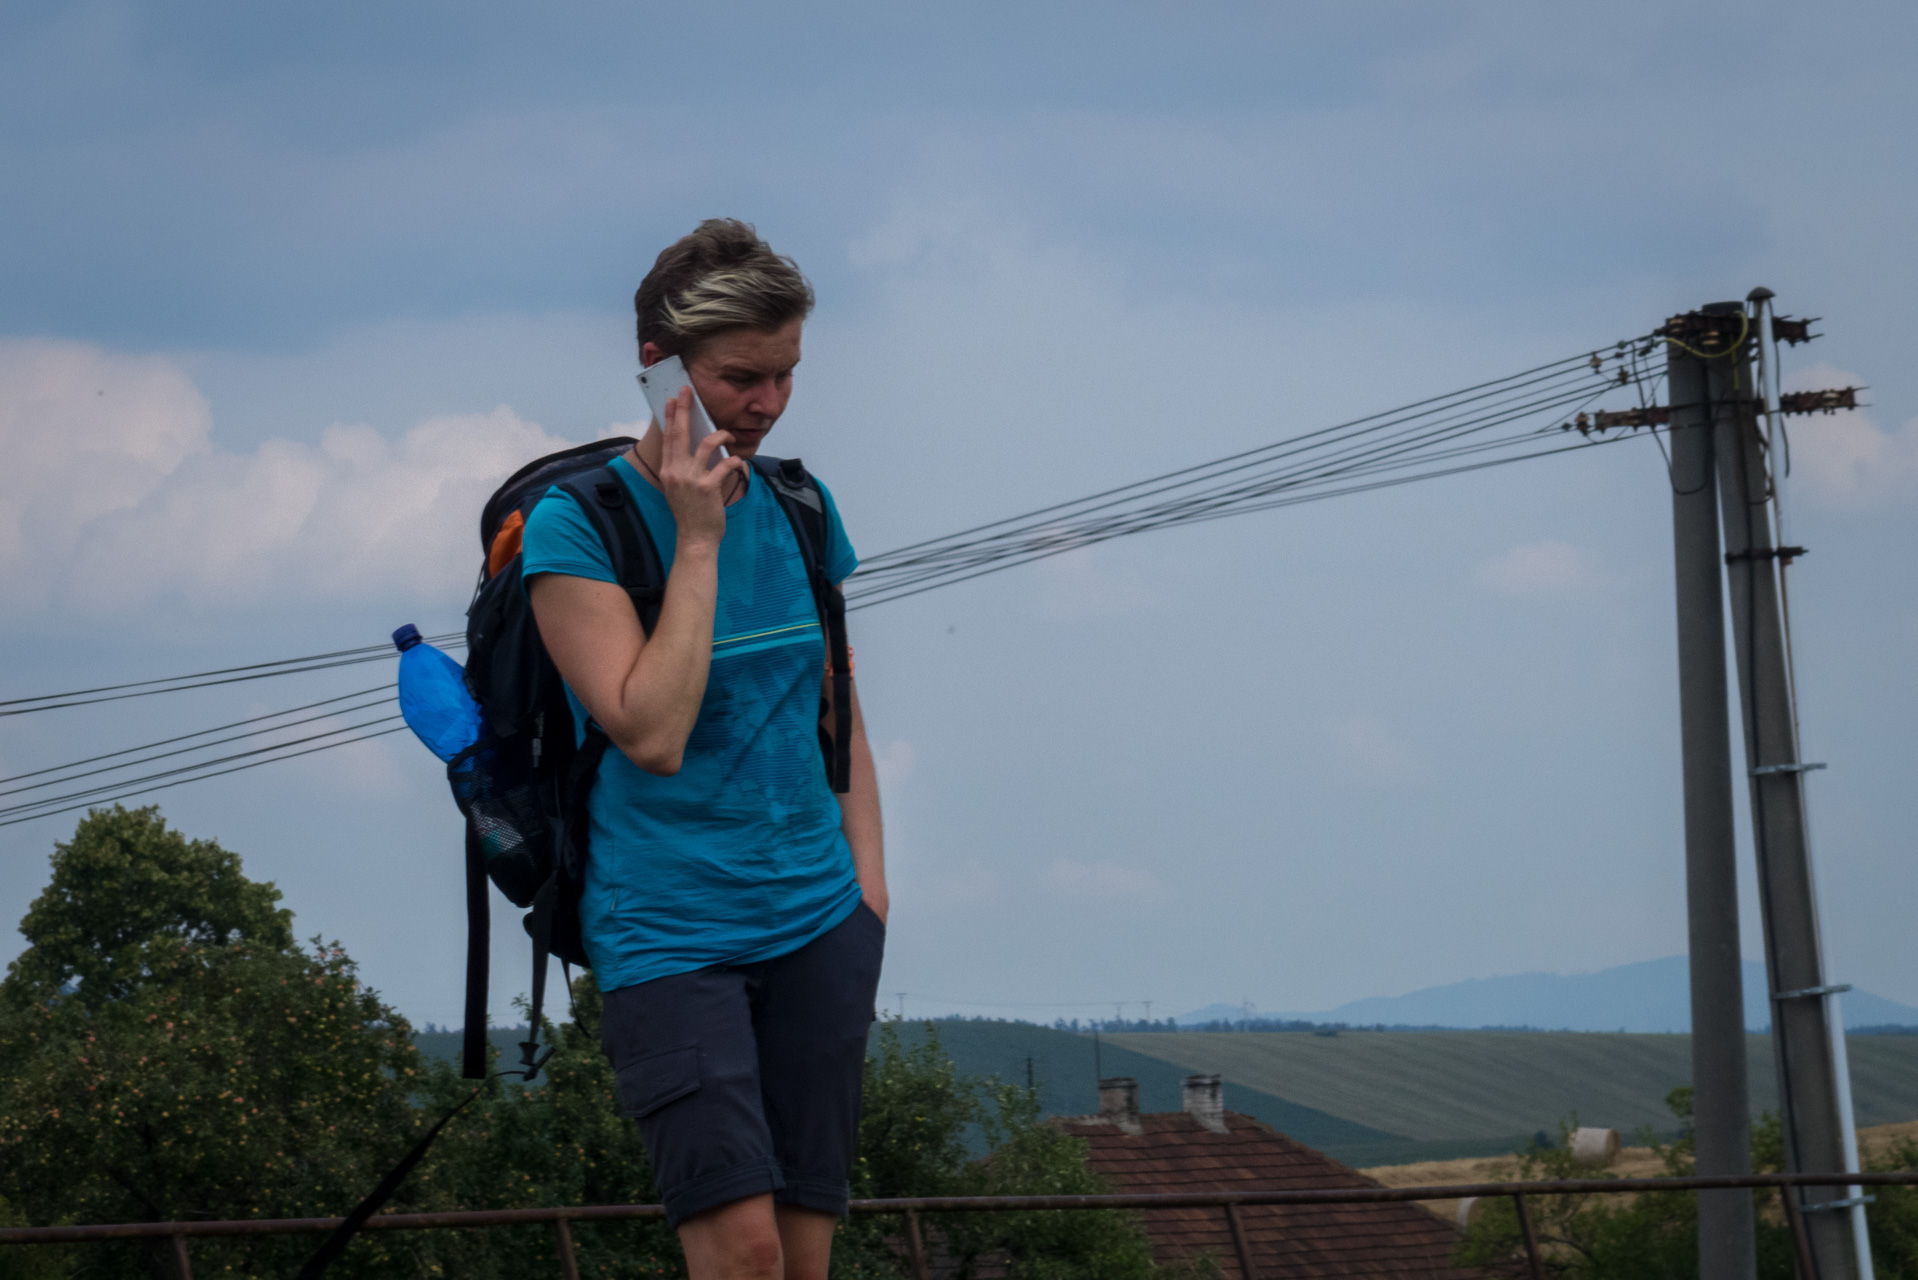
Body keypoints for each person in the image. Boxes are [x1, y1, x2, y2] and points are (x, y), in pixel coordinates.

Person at [521, 220, 886, 1280]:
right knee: (744, 1257)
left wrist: (869, 890)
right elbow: (652, 730)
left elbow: (839, 711)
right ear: (657, 366)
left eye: (786, 376)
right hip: (671, 930)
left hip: (819, 918)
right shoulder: (575, 529)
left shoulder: (804, 510)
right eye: (740, 377)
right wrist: (695, 537)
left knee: (807, 1260)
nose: (767, 404)